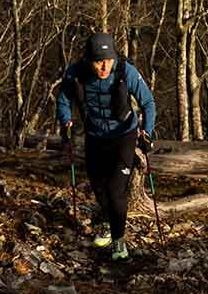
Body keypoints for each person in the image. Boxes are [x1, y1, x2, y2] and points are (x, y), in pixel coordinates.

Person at [56, 31, 157, 260]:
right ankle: (105, 223)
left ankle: (119, 240)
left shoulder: (125, 71)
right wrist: (66, 120)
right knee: (99, 189)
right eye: (99, 61)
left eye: (108, 60)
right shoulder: (76, 73)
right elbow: (63, 98)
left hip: (124, 135)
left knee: (115, 190)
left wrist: (147, 131)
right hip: (95, 137)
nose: (104, 67)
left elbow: (148, 102)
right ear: (88, 60)